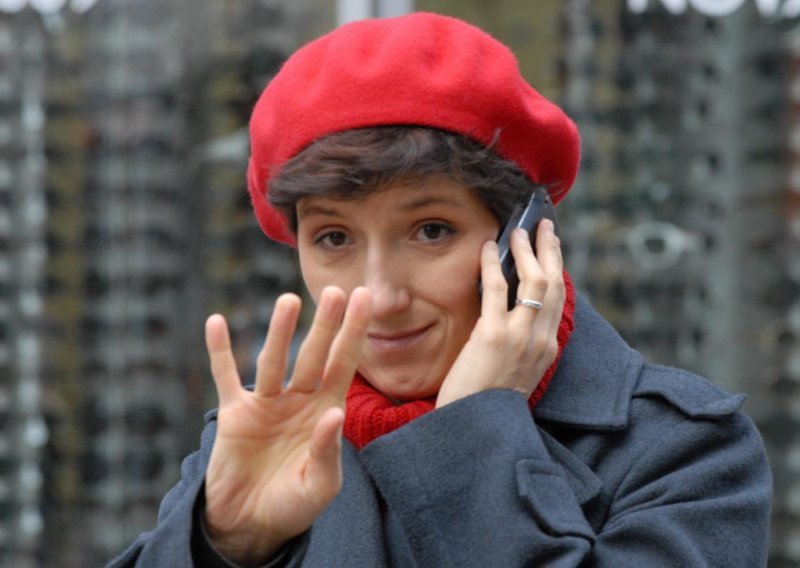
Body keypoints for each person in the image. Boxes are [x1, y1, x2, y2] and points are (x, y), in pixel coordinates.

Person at [108, 12, 772, 568]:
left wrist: (469, 436)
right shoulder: (267, 438)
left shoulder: (681, 450)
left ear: (523, 237)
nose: (380, 296)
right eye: (334, 238)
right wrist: (225, 545)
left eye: (431, 230)